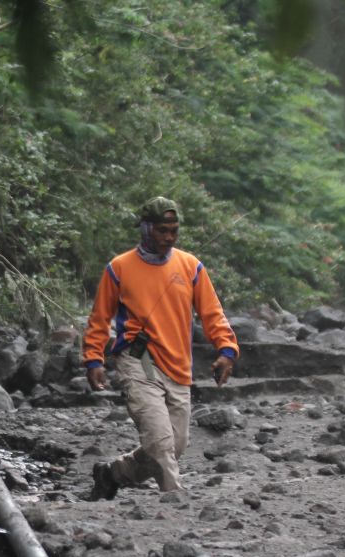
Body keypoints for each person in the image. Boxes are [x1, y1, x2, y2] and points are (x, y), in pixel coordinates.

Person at [83, 197, 239, 500]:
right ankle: (175, 498)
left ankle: (112, 473)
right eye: (162, 230)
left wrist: (226, 349)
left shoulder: (190, 266)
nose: (169, 237)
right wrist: (93, 358)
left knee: (175, 445)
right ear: (145, 229)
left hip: (178, 364)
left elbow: (212, 313)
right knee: (160, 439)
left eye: (174, 231)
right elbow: (99, 318)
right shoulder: (119, 268)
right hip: (138, 360)